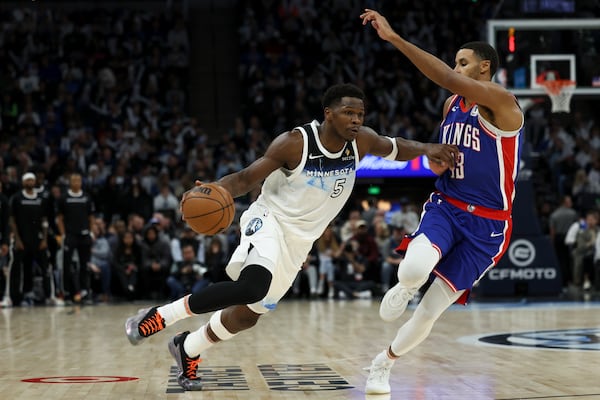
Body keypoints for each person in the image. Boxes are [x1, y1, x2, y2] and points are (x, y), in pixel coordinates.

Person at [125, 83, 458, 391]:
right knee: (252, 286)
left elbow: (395, 148)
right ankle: (157, 317)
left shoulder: (362, 141)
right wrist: (215, 188)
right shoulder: (295, 143)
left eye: (360, 114)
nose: (356, 120)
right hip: (270, 219)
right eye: (348, 113)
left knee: (247, 315)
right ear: (329, 113)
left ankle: (188, 347)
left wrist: (427, 148)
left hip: (300, 241)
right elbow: (244, 178)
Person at [359, 9, 525, 395]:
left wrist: (396, 38)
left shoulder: (502, 102)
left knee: (431, 312)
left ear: (484, 68)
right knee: (415, 268)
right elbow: (450, 154)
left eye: (463, 63)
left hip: (489, 226)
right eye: (455, 63)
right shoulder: (452, 106)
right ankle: (404, 285)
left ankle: (383, 363)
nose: (456, 70)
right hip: (448, 206)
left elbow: (445, 79)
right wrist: (437, 158)